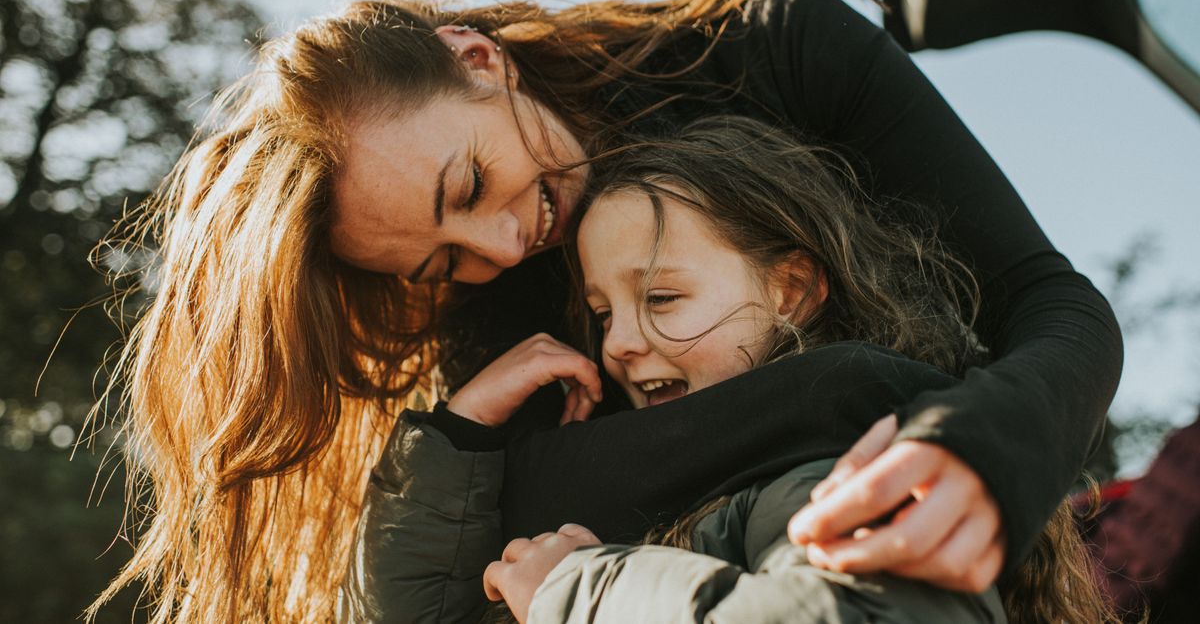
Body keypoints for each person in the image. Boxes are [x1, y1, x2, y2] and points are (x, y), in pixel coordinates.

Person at [90, 0, 1122, 622]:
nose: (502, 245)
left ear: (479, 59)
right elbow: (527, 513)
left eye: (472, 183)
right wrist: (867, 391)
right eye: (439, 263)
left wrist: (983, 447)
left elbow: (1053, 311)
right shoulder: (494, 295)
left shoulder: (776, 51)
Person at [346, 116, 1115, 624]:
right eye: (604, 313)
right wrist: (457, 436)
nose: (620, 343)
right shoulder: (691, 492)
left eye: (664, 297)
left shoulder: (837, 463)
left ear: (793, 290)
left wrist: (575, 588)